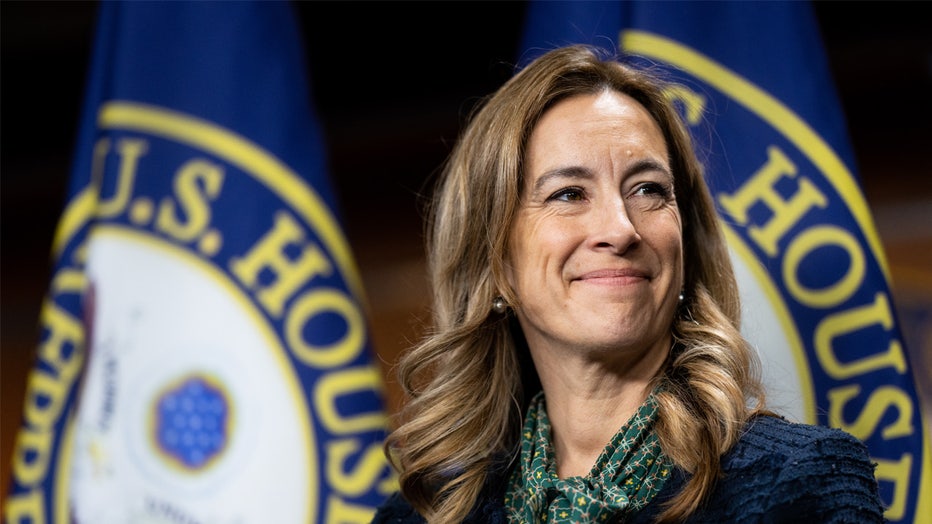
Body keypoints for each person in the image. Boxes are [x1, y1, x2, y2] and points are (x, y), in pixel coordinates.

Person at [372, 44, 885, 523]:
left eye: (648, 190)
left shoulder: (802, 482)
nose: (620, 228)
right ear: (497, 264)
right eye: (569, 194)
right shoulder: (425, 511)